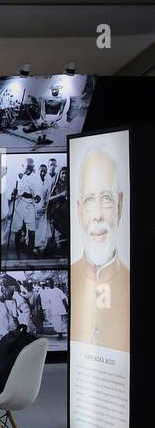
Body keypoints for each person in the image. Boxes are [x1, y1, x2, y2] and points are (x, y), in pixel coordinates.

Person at [70, 145, 130, 351]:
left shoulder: (133, 284)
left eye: (106, 199)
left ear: (120, 205)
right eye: (89, 200)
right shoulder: (71, 278)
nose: (97, 215)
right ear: (78, 211)